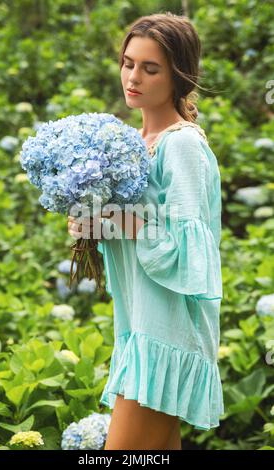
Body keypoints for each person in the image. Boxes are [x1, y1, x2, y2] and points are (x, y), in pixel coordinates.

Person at [68, 12, 224, 450]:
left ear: (178, 75)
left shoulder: (183, 145)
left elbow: (189, 253)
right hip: (140, 328)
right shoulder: (132, 144)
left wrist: (116, 218)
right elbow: (137, 233)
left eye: (150, 68)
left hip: (168, 333)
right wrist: (91, 222)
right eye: (128, 62)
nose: (133, 77)